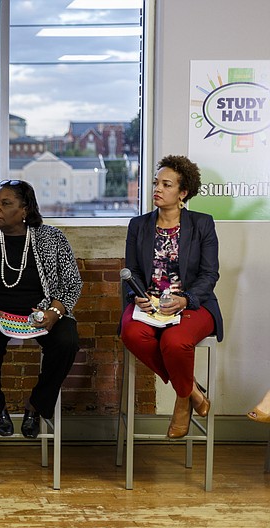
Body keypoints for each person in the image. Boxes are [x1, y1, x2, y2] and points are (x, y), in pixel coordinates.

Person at [0, 180, 81, 438]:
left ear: (25, 210)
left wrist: (53, 314)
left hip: (39, 315)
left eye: (5, 203)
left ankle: (37, 405)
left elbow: (71, 284)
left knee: (67, 340)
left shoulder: (52, 238)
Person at [120, 154, 223, 439]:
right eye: (156, 183)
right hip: (149, 303)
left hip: (191, 303)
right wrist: (137, 295)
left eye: (167, 184)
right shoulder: (138, 225)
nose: (158, 189)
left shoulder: (202, 224)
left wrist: (185, 299)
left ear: (183, 192)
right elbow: (133, 271)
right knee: (131, 334)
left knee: (174, 342)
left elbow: (209, 275)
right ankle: (191, 390)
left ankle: (181, 402)